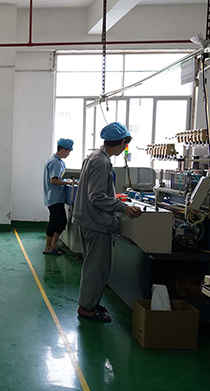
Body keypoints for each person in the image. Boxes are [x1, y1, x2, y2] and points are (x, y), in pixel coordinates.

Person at [72, 122, 142, 322]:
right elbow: (96, 196)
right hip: (96, 222)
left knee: (92, 265)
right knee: (97, 267)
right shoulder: (102, 162)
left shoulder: (94, 157)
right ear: (120, 142)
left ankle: (90, 302)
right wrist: (123, 207)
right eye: (125, 145)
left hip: (86, 219)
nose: (124, 148)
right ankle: (87, 308)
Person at [43, 138, 75, 255]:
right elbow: (54, 180)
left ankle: (53, 245)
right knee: (54, 222)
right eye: (68, 152)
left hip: (57, 197)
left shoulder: (58, 161)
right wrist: (68, 182)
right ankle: (48, 247)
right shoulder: (54, 162)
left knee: (61, 222)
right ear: (62, 150)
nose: (68, 154)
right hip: (54, 198)